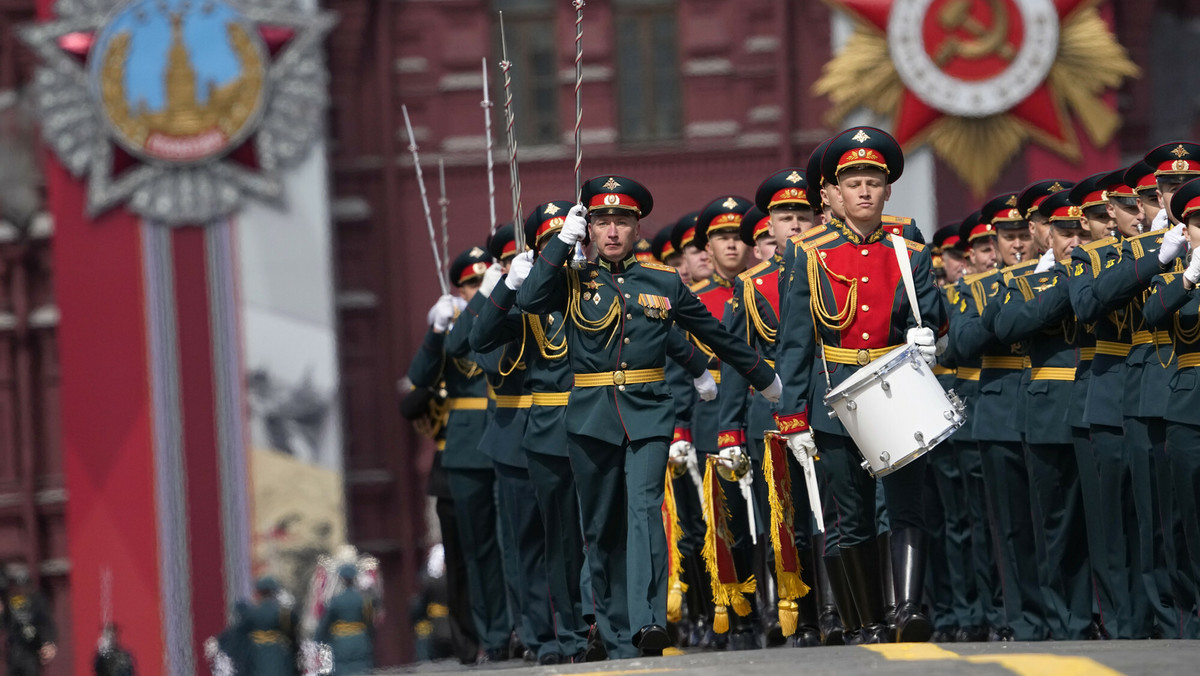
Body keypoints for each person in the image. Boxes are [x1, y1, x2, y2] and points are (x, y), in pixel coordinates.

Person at [512, 174, 780, 657]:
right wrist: (559, 246)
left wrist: (762, 376)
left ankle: (647, 621)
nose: (612, 231)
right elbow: (529, 300)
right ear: (589, 229)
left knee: (644, 512)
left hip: (649, 413)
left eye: (622, 221)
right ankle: (614, 631)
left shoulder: (661, 281)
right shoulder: (571, 279)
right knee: (601, 527)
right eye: (602, 222)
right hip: (591, 416)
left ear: (637, 228)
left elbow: (712, 331)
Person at [774, 127, 943, 644]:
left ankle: (909, 609)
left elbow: (931, 311)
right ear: (835, 193)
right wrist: (793, 419)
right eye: (854, 183)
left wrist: (928, 329)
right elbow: (796, 342)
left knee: (907, 503)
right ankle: (866, 618)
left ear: (888, 189)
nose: (865, 191)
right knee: (854, 514)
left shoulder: (907, 244)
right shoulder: (809, 251)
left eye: (874, 181)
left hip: (897, 387)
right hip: (838, 394)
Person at [992, 188, 1094, 640]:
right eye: (1063, 230)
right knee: (1054, 522)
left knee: (1106, 520)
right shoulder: (1024, 279)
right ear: (1044, 233)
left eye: (1078, 229)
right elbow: (1007, 326)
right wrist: (1069, 284)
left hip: (1102, 403)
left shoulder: (1105, 267)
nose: (1073, 238)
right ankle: (1065, 618)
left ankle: (1102, 613)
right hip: (1049, 411)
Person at [409, 246, 509, 662]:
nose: (477, 289)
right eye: (470, 283)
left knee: (515, 546)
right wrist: (436, 331)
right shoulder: (453, 329)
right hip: (468, 450)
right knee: (476, 551)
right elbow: (419, 379)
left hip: (509, 435)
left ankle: (517, 628)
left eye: (483, 280)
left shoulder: (506, 315)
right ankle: (488, 635)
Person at [315, 564, 376, 675]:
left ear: (341, 579)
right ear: (355, 578)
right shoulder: (364, 601)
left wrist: (322, 639)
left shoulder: (335, 601)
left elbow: (324, 625)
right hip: (360, 641)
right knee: (362, 669)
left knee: (342, 671)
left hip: (341, 642)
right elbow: (369, 624)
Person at [231, 576, 298, 675]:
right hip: (278, 654)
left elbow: (240, 635)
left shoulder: (251, 612)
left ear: (259, 592)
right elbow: (292, 635)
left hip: (256, 653)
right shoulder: (284, 613)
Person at [1, 567, 57, 676]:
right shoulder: (11, 601)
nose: (21, 591)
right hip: (14, 650)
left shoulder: (37, 601)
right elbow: (5, 623)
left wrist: (47, 641)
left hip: (30, 650)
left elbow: (46, 624)